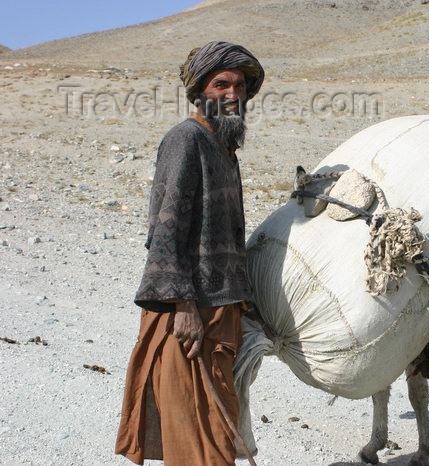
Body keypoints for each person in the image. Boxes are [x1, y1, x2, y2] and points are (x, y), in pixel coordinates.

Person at [115, 41, 264, 465]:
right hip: (190, 311)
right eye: (221, 84)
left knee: (216, 431)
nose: (233, 94)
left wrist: (244, 301)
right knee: (200, 444)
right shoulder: (186, 139)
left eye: (239, 86)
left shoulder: (225, 148)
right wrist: (182, 304)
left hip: (222, 312)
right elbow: (165, 227)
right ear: (200, 91)